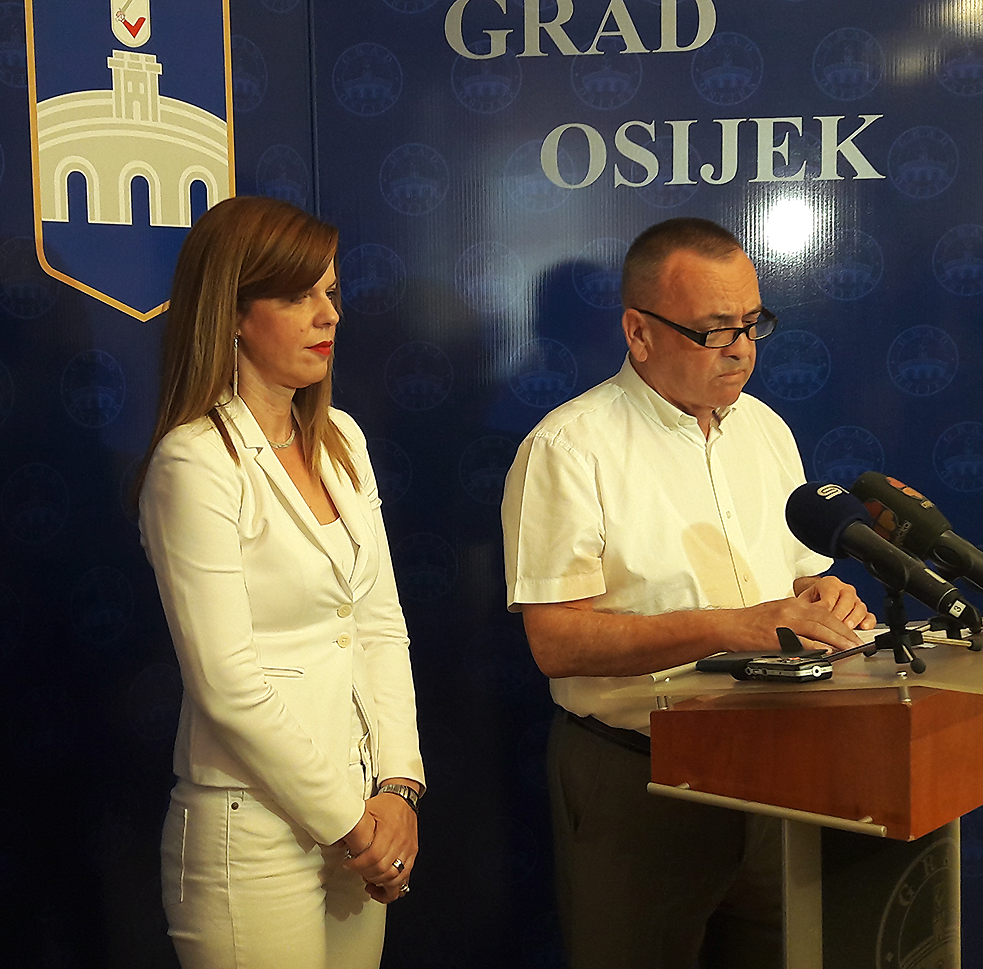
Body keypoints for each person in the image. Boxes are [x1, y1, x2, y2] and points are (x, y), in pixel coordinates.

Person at [500, 217, 876, 969]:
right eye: (713, 331)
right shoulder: (568, 448)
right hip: (638, 777)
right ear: (638, 333)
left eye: (753, 324)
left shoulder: (765, 429)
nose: (741, 349)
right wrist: (731, 627)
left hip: (777, 767)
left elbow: (798, 575)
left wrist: (825, 597)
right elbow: (556, 642)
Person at [136, 195, 425, 969]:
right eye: (298, 296)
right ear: (231, 313)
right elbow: (227, 684)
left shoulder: (343, 441)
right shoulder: (194, 462)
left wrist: (398, 788)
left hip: (362, 816)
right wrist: (354, 827)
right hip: (251, 832)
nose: (328, 314)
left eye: (330, 291)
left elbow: (378, 625)